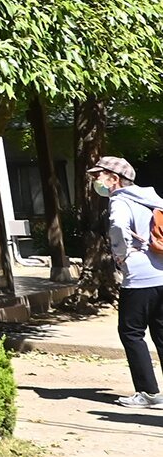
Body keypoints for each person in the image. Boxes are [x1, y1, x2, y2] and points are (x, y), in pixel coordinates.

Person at [87, 156, 163, 408]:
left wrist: (122, 256)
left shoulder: (120, 201)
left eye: (98, 175)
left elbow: (117, 227)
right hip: (161, 273)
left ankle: (148, 392)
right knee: (161, 332)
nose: (95, 180)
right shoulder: (154, 199)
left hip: (139, 277)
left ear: (114, 178)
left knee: (130, 332)